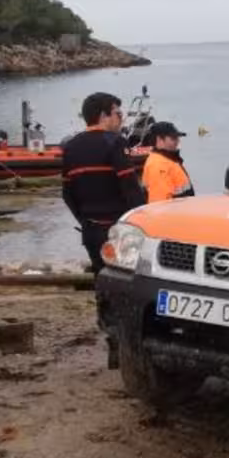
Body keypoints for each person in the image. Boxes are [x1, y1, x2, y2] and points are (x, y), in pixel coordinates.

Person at [62, 92, 146, 367]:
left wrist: (85, 220)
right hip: (119, 231)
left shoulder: (71, 147)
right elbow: (130, 187)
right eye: (118, 113)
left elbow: (67, 193)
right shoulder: (114, 143)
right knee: (129, 286)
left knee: (103, 284)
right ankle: (128, 345)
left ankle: (112, 341)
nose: (121, 119)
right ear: (103, 116)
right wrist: (142, 222)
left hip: (91, 229)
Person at [141, 121, 194, 203]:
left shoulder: (168, 160)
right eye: (173, 138)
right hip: (173, 210)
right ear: (159, 140)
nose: (177, 141)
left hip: (183, 208)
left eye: (177, 138)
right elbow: (161, 203)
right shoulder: (158, 165)